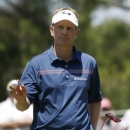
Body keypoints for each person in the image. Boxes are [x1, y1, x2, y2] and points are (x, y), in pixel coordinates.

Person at [9, 7, 102, 130]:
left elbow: (95, 100)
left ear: (77, 33)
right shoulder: (36, 64)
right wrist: (20, 100)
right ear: (52, 30)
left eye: (69, 28)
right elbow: (22, 106)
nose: (64, 32)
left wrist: (93, 128)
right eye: (60, 27)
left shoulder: (89, 63)